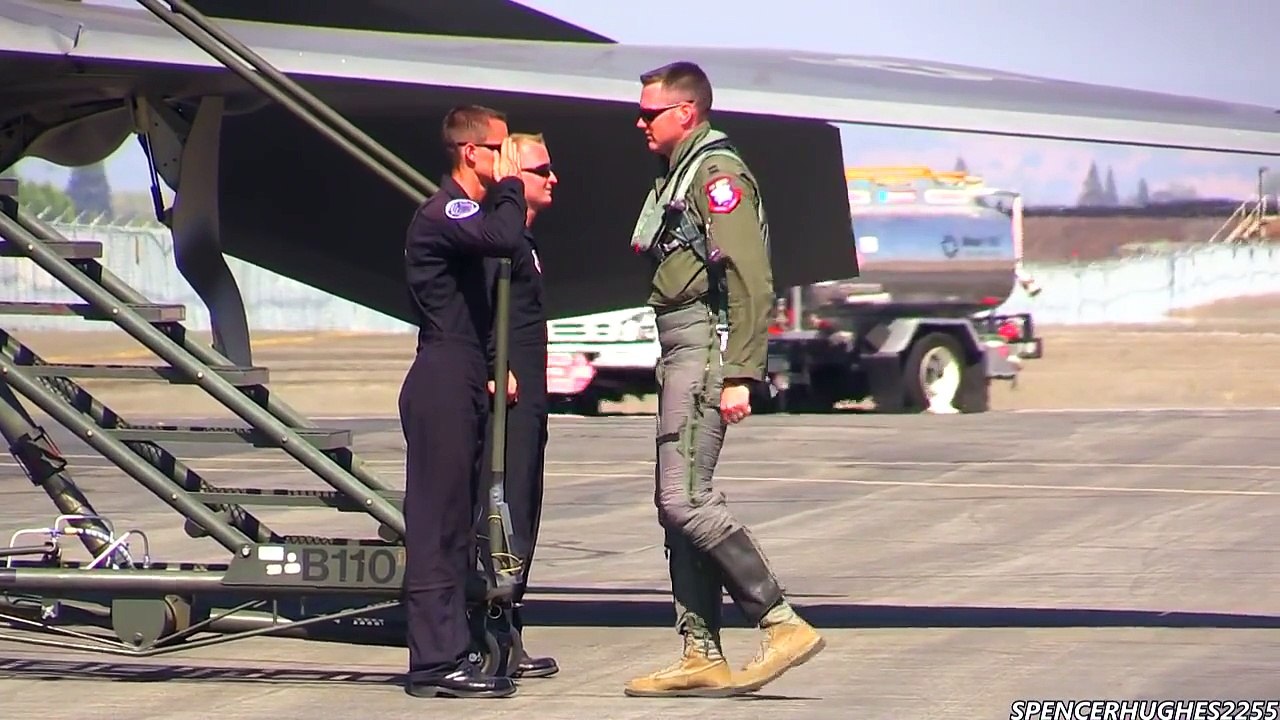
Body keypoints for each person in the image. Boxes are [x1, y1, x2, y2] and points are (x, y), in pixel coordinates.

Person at [622, 61, 825, 698]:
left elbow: (747, 275)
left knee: (685, 498)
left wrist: (740, 371)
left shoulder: (715, 175)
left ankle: (779, 621)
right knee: (673, 503)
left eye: (650, 112)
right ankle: (700, 651)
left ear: (686, 111)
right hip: (681, 346)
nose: (640, 123)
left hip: (704, 350)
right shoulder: (680, 175)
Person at [398, 104, 526, 700]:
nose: (509, 161)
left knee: (457, 528)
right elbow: (503, 238)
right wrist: (514, 186)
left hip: (466, 372)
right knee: (437, 525)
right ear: (471, 152)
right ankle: (432, 664)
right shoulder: (446, 210)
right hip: (443, 375)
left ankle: (453, 650)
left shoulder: (468, 214)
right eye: (500, 150)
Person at [478, 132, 560, 679]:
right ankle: (490, 633)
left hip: (530, 398)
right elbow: (480, 306)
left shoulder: (524, 241)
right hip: (508, 396)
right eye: (541, 170)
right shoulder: (497, 238)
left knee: (525, 506)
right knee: (502, 512)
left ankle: (510, 631)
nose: (553, 178)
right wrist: (495, 365)